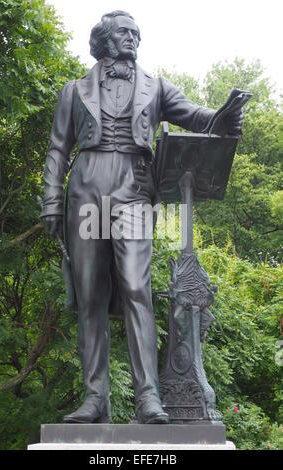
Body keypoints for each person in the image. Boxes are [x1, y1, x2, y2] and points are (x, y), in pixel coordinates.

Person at [41, 10, 243, 424]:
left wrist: (225, 115)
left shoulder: (156, 86)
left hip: (133, 188)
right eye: (124, 32)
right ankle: (95, 398)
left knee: (137, 286)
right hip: (85, 188)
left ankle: (148, 396)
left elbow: (196, 115)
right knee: (90, 295)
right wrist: (51, 201)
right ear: (104, 40)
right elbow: (58, 149)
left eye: (136, 33)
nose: (132, 38)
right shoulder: (74, 90)